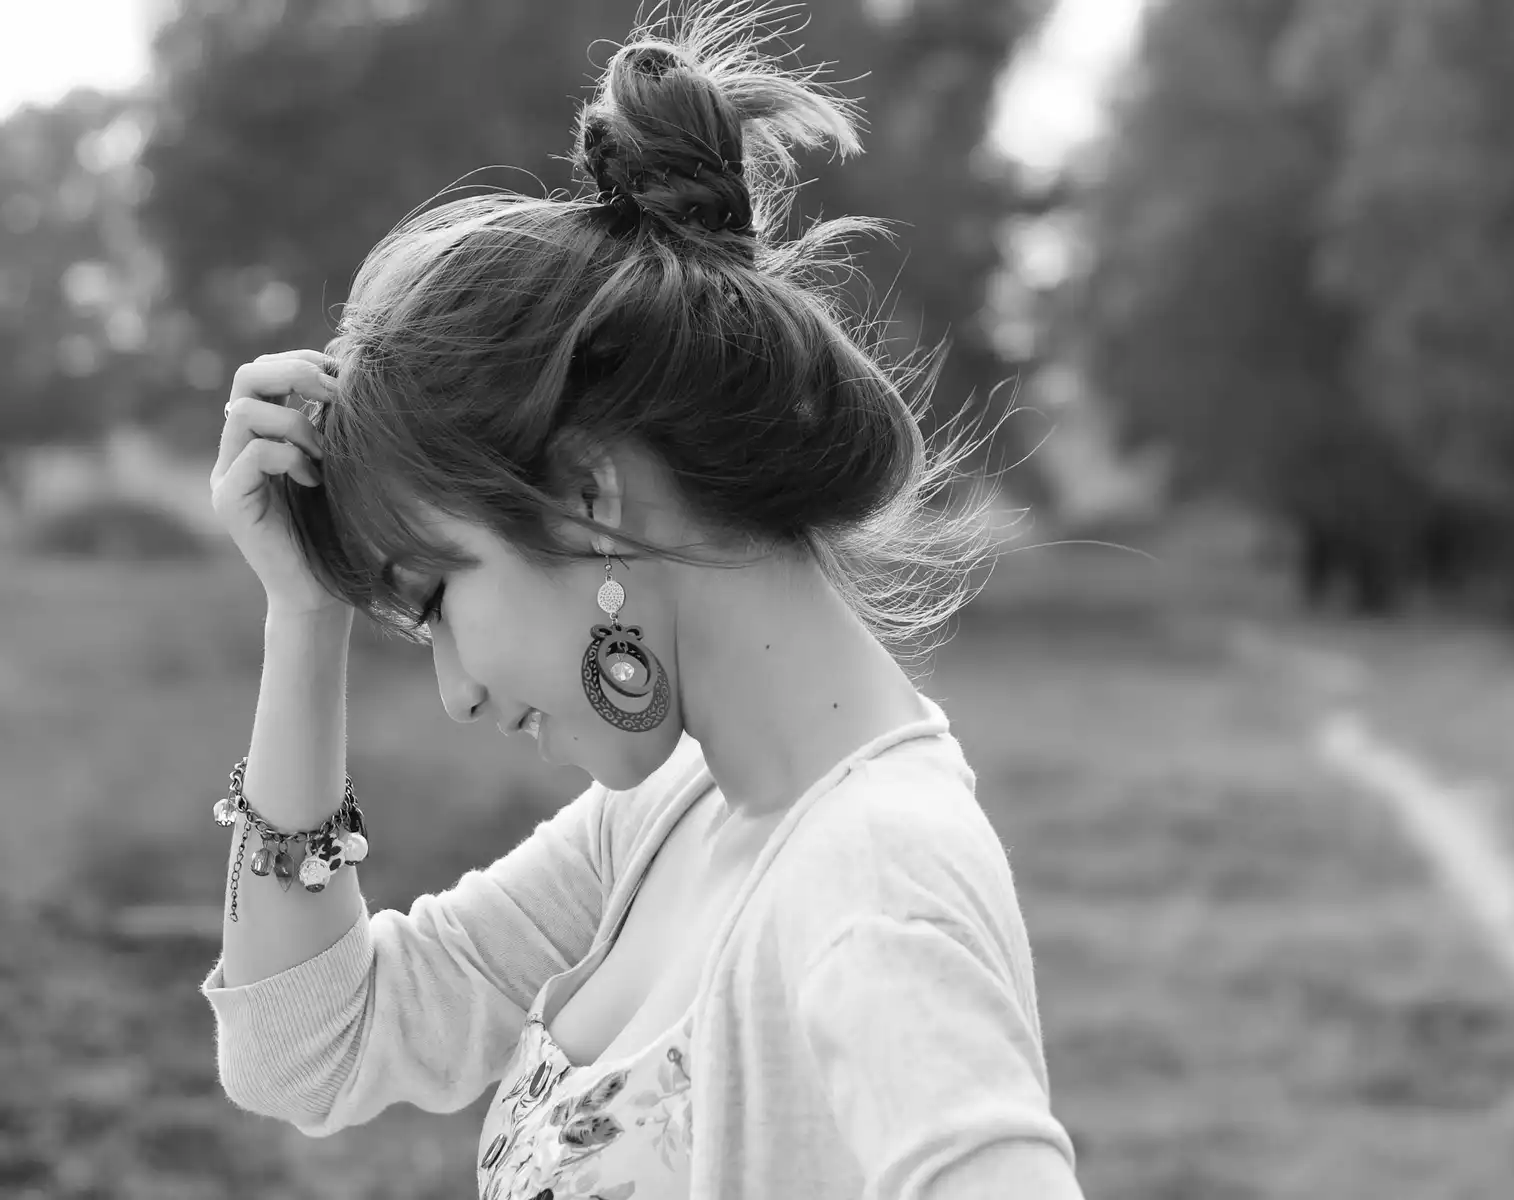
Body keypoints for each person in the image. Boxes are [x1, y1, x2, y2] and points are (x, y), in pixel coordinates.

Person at [197, 6, 1082, 1198]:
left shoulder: (875, 879)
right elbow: (305, 1047)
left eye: (442, 594)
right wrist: (303, 616)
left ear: (585, 495)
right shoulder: (676, 811)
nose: (456, 692)